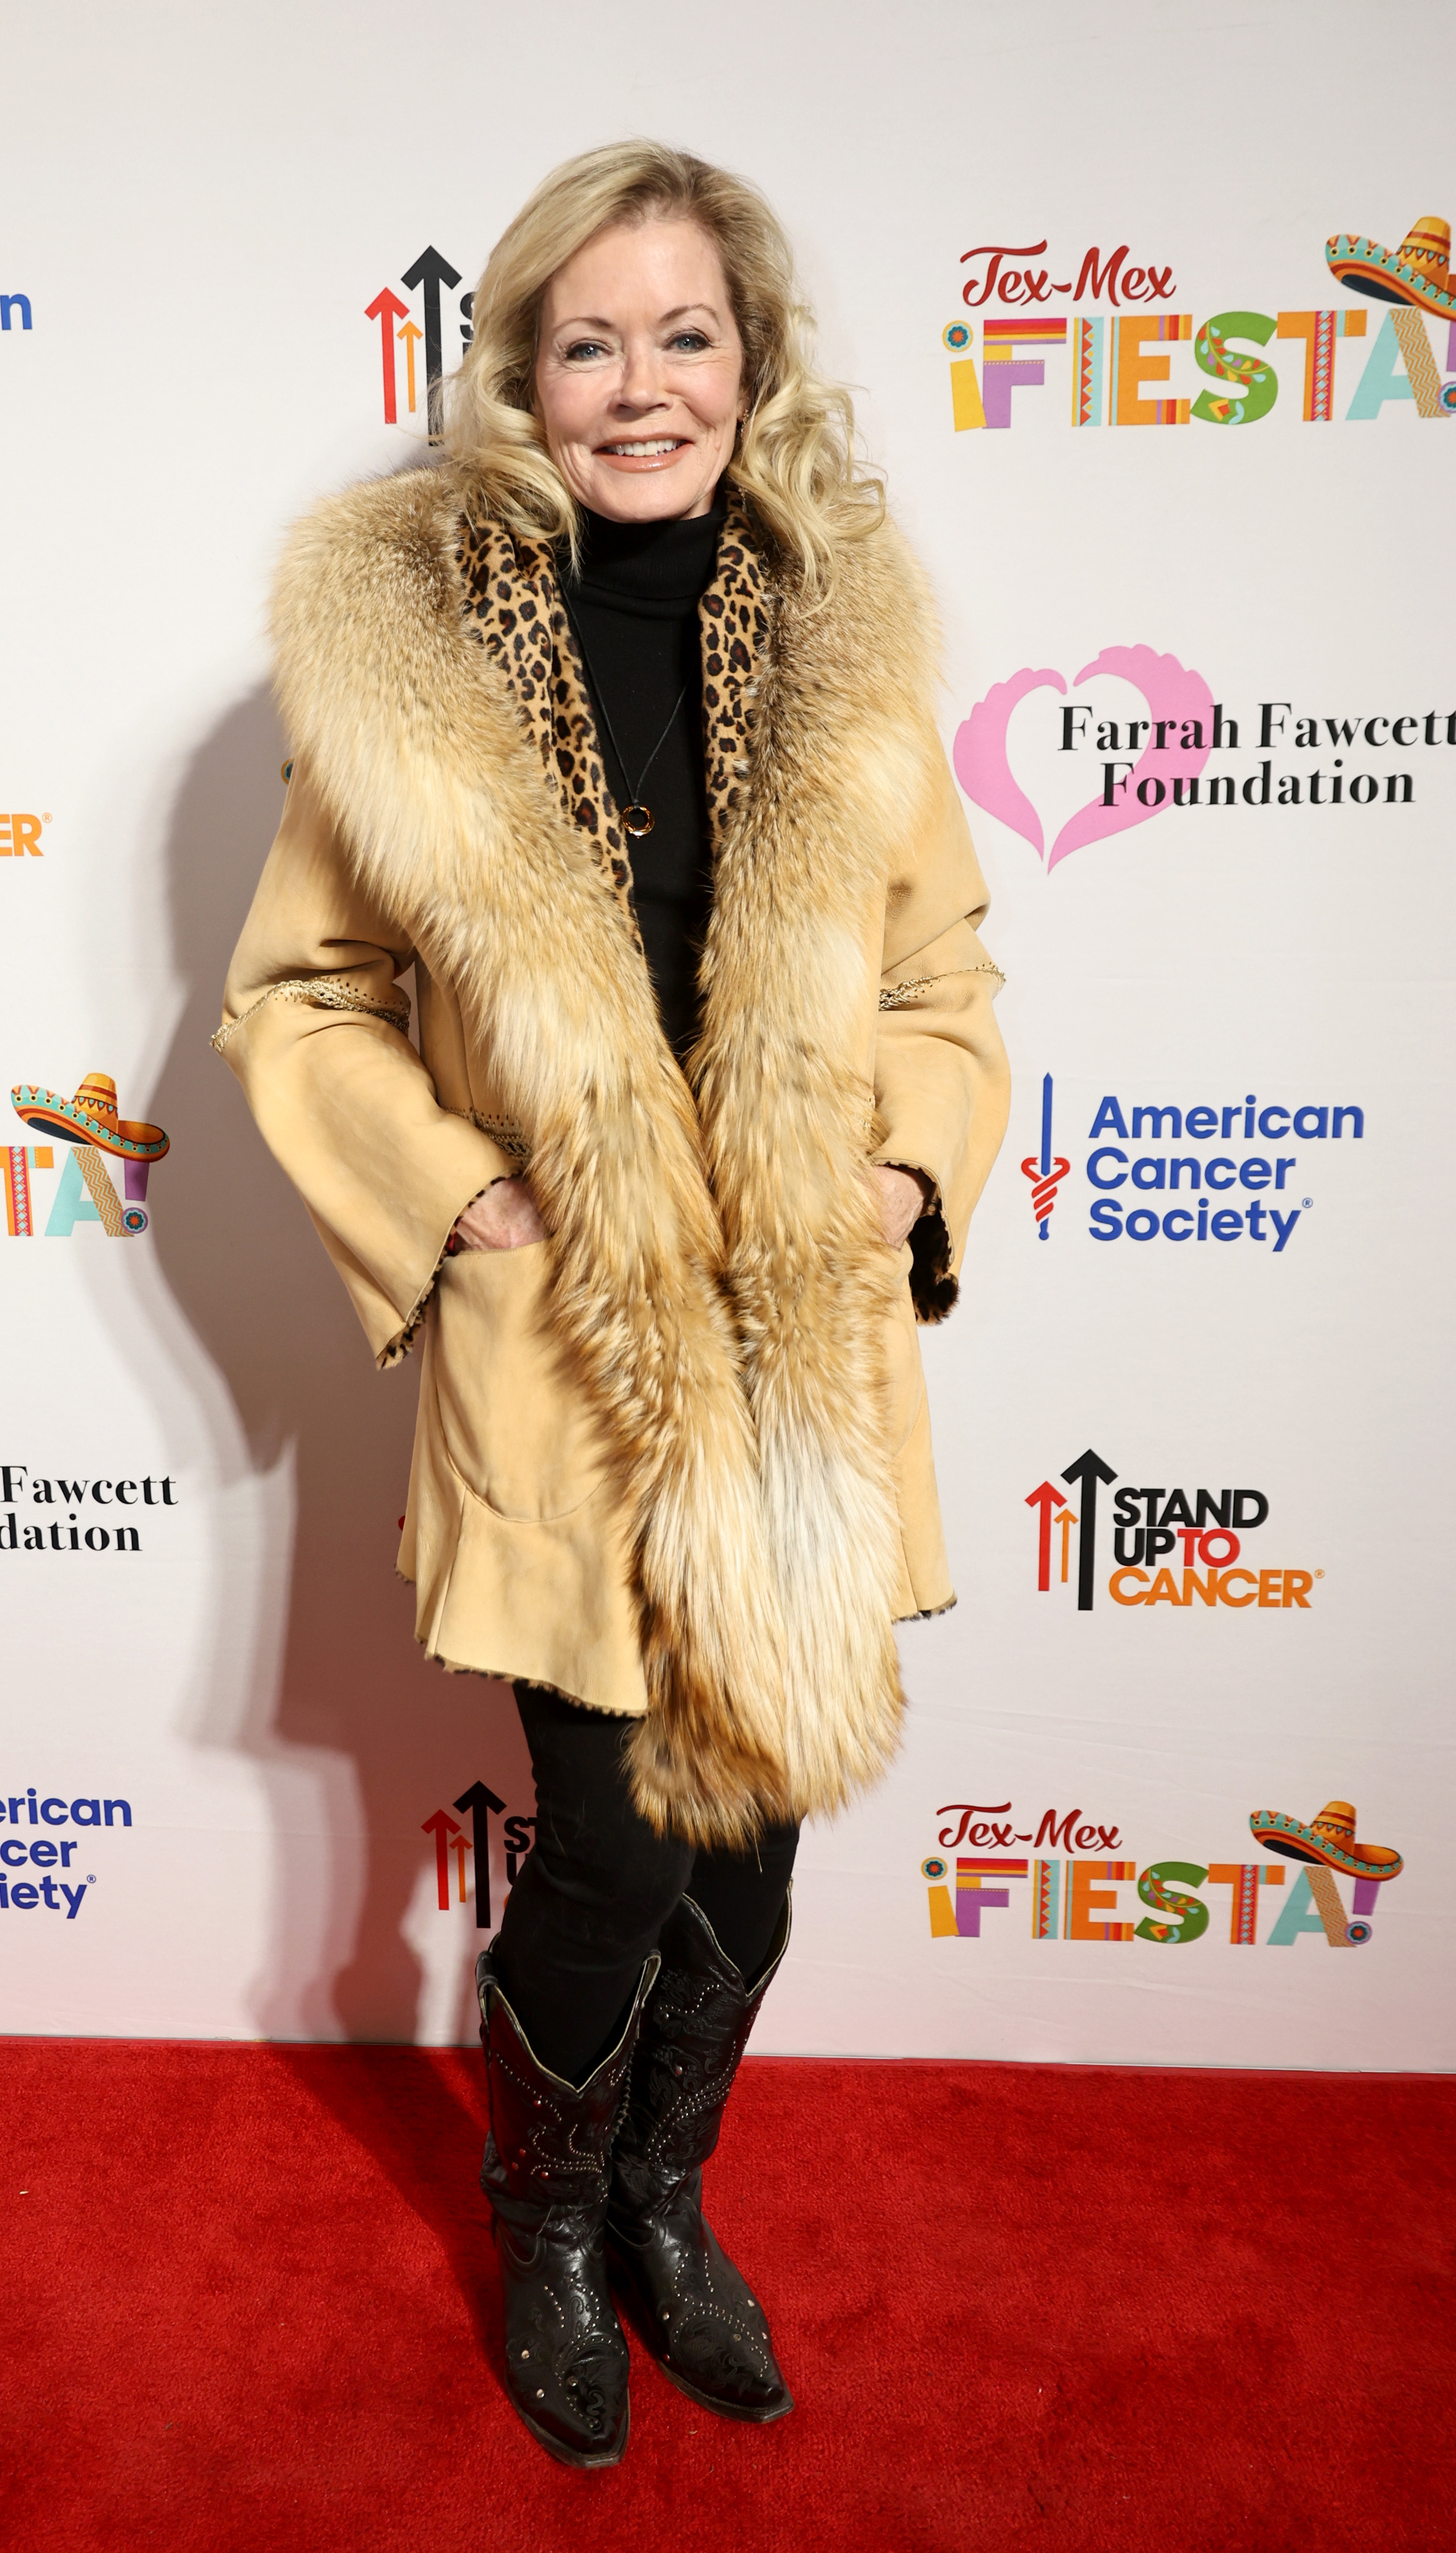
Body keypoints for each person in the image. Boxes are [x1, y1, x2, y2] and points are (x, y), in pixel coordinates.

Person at [217, 141, 1009, 2468]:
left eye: (685, 336)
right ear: (520, 376)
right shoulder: (412, 656)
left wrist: (901, 1160)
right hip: (569, 1356)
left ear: (748, 364)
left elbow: (946, 975)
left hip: (793, 1345)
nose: (639, 386)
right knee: (618, 1833)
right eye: (589, 341)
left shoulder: (850, 633)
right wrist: (455, 1196)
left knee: (755, 1825)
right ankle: (546, 2215)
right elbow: (300, 1000)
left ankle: (665, 2195)